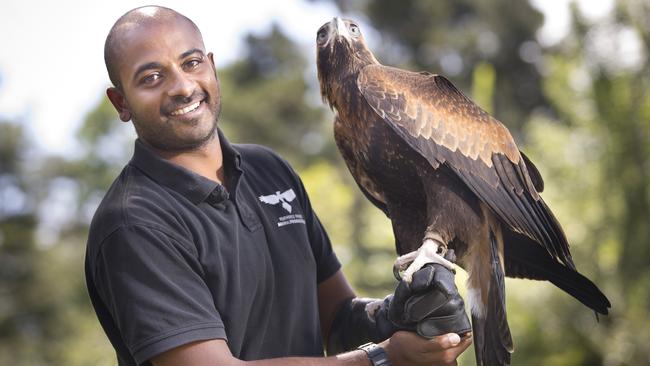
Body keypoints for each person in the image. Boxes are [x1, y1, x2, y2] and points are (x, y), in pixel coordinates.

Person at [85, 6, 472, 366]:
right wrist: (384, 358)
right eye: (152, 78)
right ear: (121, 102)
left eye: (191, 62)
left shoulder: (269, 170)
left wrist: (400, 314)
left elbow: (337, 319)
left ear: (212, 68)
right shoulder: (133, 223)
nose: (182, 87)